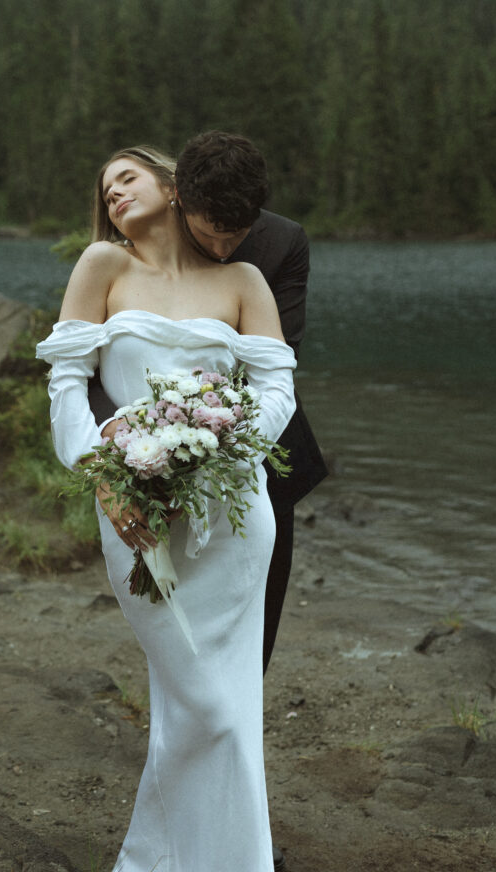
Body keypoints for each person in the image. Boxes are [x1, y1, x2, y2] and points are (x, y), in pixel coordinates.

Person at [36, 146, 297, 872]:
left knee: (223, 704)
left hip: (233, 511)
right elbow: (66, 386)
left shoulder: (244, 283)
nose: (112, 193)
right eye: (103, 186)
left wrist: (226, 446)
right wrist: (100, 477)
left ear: (170, 183)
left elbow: (277, 389)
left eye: (126, 176)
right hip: (136, 507)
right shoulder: (100, 265)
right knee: (198, 701)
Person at [90, 131, 327, 675]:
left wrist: (206, 455)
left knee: (254, 631)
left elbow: (275, 360)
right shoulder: (129, 260)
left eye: (236, 235)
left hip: (264, 454)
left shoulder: (283, 243)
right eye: (209, 234)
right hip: (144, 448)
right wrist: (129, 442)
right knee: (172, 627)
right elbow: (92, 367)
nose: (223, 248)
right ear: (180, 201)